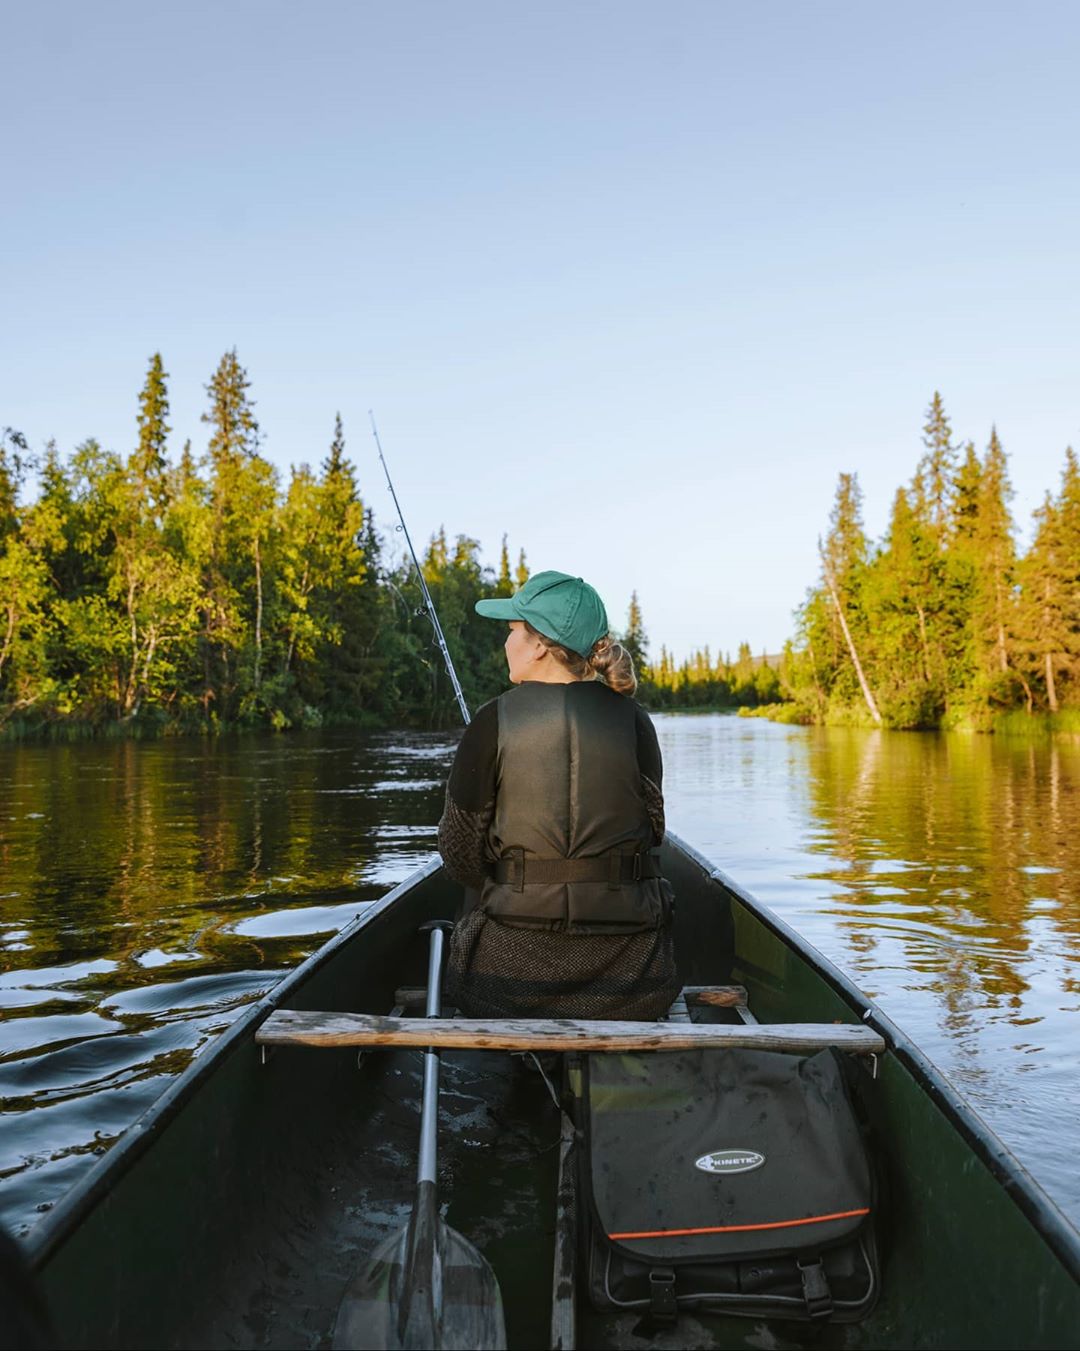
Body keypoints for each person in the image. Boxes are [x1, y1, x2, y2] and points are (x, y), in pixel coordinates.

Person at [437, 570, 679, 1020]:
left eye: (512, 631)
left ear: (540, 645)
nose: (506, 643)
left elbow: (457, 855)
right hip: (633, 983)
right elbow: (655, 831)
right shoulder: (635, 721)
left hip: (505, 982)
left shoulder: (491, 721)